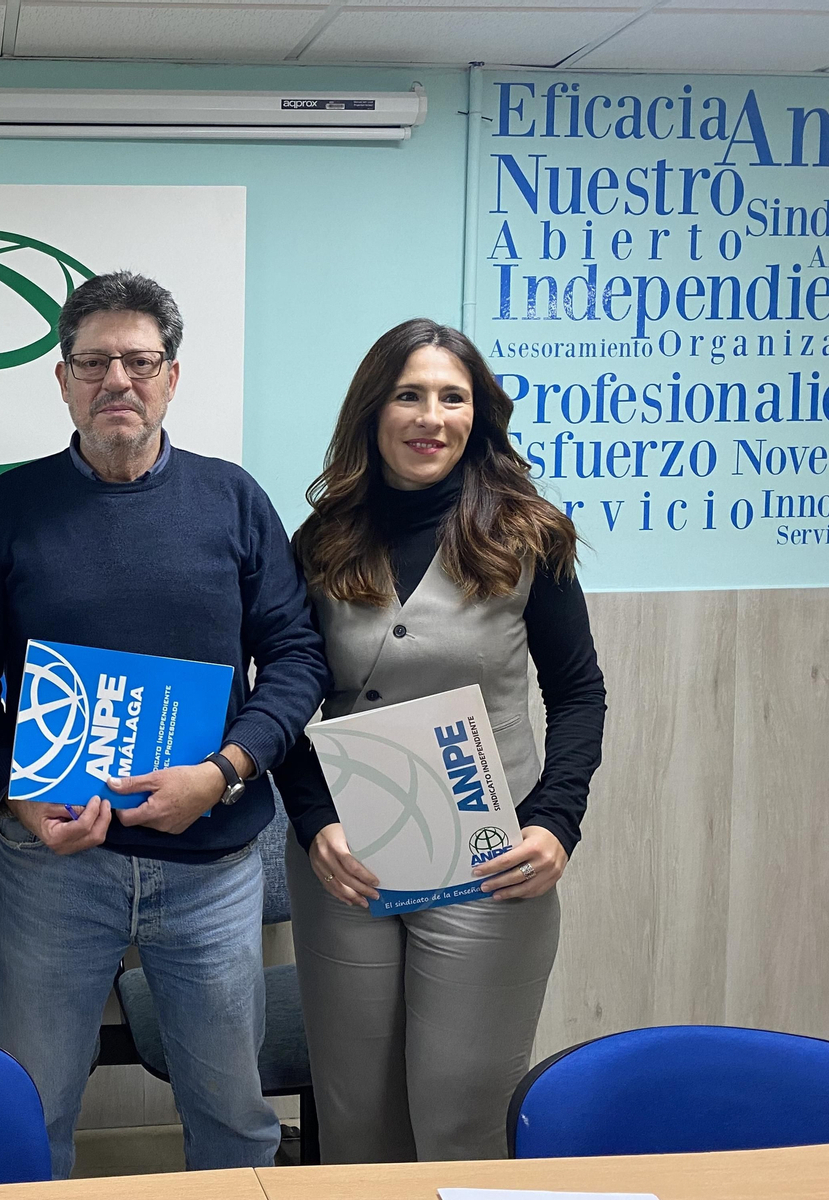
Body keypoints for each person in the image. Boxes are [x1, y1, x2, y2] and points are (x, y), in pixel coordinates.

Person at [0, 272, 331, 1177]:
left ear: (171, 376)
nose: (116, 379)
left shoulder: (233, 500)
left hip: (210, 868)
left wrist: (227, 770)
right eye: (93, 361)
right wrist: (20, 800)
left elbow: (296, 660)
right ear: (61, 379)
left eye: (138, 359)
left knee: (234, 1119)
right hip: (55, 864)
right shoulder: (9, 508)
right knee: (28, 1112)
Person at [274, 318, 607, 1162]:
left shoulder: (531, 534)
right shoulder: (320, 541)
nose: (432, 416)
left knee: (464, 1114)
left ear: (479, 415)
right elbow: (283, 693)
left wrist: (556, 824)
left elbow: (578, 693)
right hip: (350, 857)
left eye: (452, 398)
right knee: (356, 1117)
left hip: (489, 858)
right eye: (409, 394)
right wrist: (315, 822)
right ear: (373, 412)